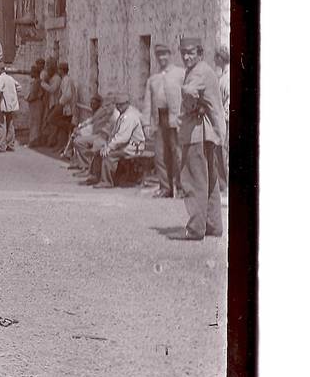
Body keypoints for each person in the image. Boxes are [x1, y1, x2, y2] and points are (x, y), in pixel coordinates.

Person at [177, 37, 225, 239]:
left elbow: (189, 91)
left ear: (200, 53)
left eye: (191, 52)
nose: (187, 57)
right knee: (210, 180)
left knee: (194, 180)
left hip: (197, 133)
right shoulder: (205, 69)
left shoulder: (198, 71)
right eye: (183, 53)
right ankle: (213, 225)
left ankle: (196, 228)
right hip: (211, 133)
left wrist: (191, 106)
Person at [143, 44, 182, 197]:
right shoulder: (153, 79)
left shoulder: (180, 74)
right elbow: (147, 102)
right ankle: (165, 188)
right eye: (159, 55)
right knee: (160, 155)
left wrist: (183, 118)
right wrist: (146, 123)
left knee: (177, 153)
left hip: (175, 119)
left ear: (170, 55)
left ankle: (181, 187)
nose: (162, 58)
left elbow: (186, 97)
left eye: (164, 54)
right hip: (159, 119)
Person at [94, 90, 147, 187]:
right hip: (126, 145)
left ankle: (107, 182)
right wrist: (107, 144)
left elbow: (123, 137)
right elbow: (116, 134)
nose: (119, 107)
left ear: (127, 103)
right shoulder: (123, 114)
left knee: (109, 155)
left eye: (121, 105)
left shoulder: (129, 116)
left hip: (133, 147)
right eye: (117, 105)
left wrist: (110, 147)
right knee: (100, 151)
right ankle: (96, 178)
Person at [0, 59, 19, 151]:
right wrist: (12, 95)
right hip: (11, 105)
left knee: (1, 124)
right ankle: (10, 145)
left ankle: (1, 146)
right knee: (10, 124)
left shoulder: (0, 79)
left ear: (0, 70)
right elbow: (19, 87)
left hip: (2, 105)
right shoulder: (10, 78)